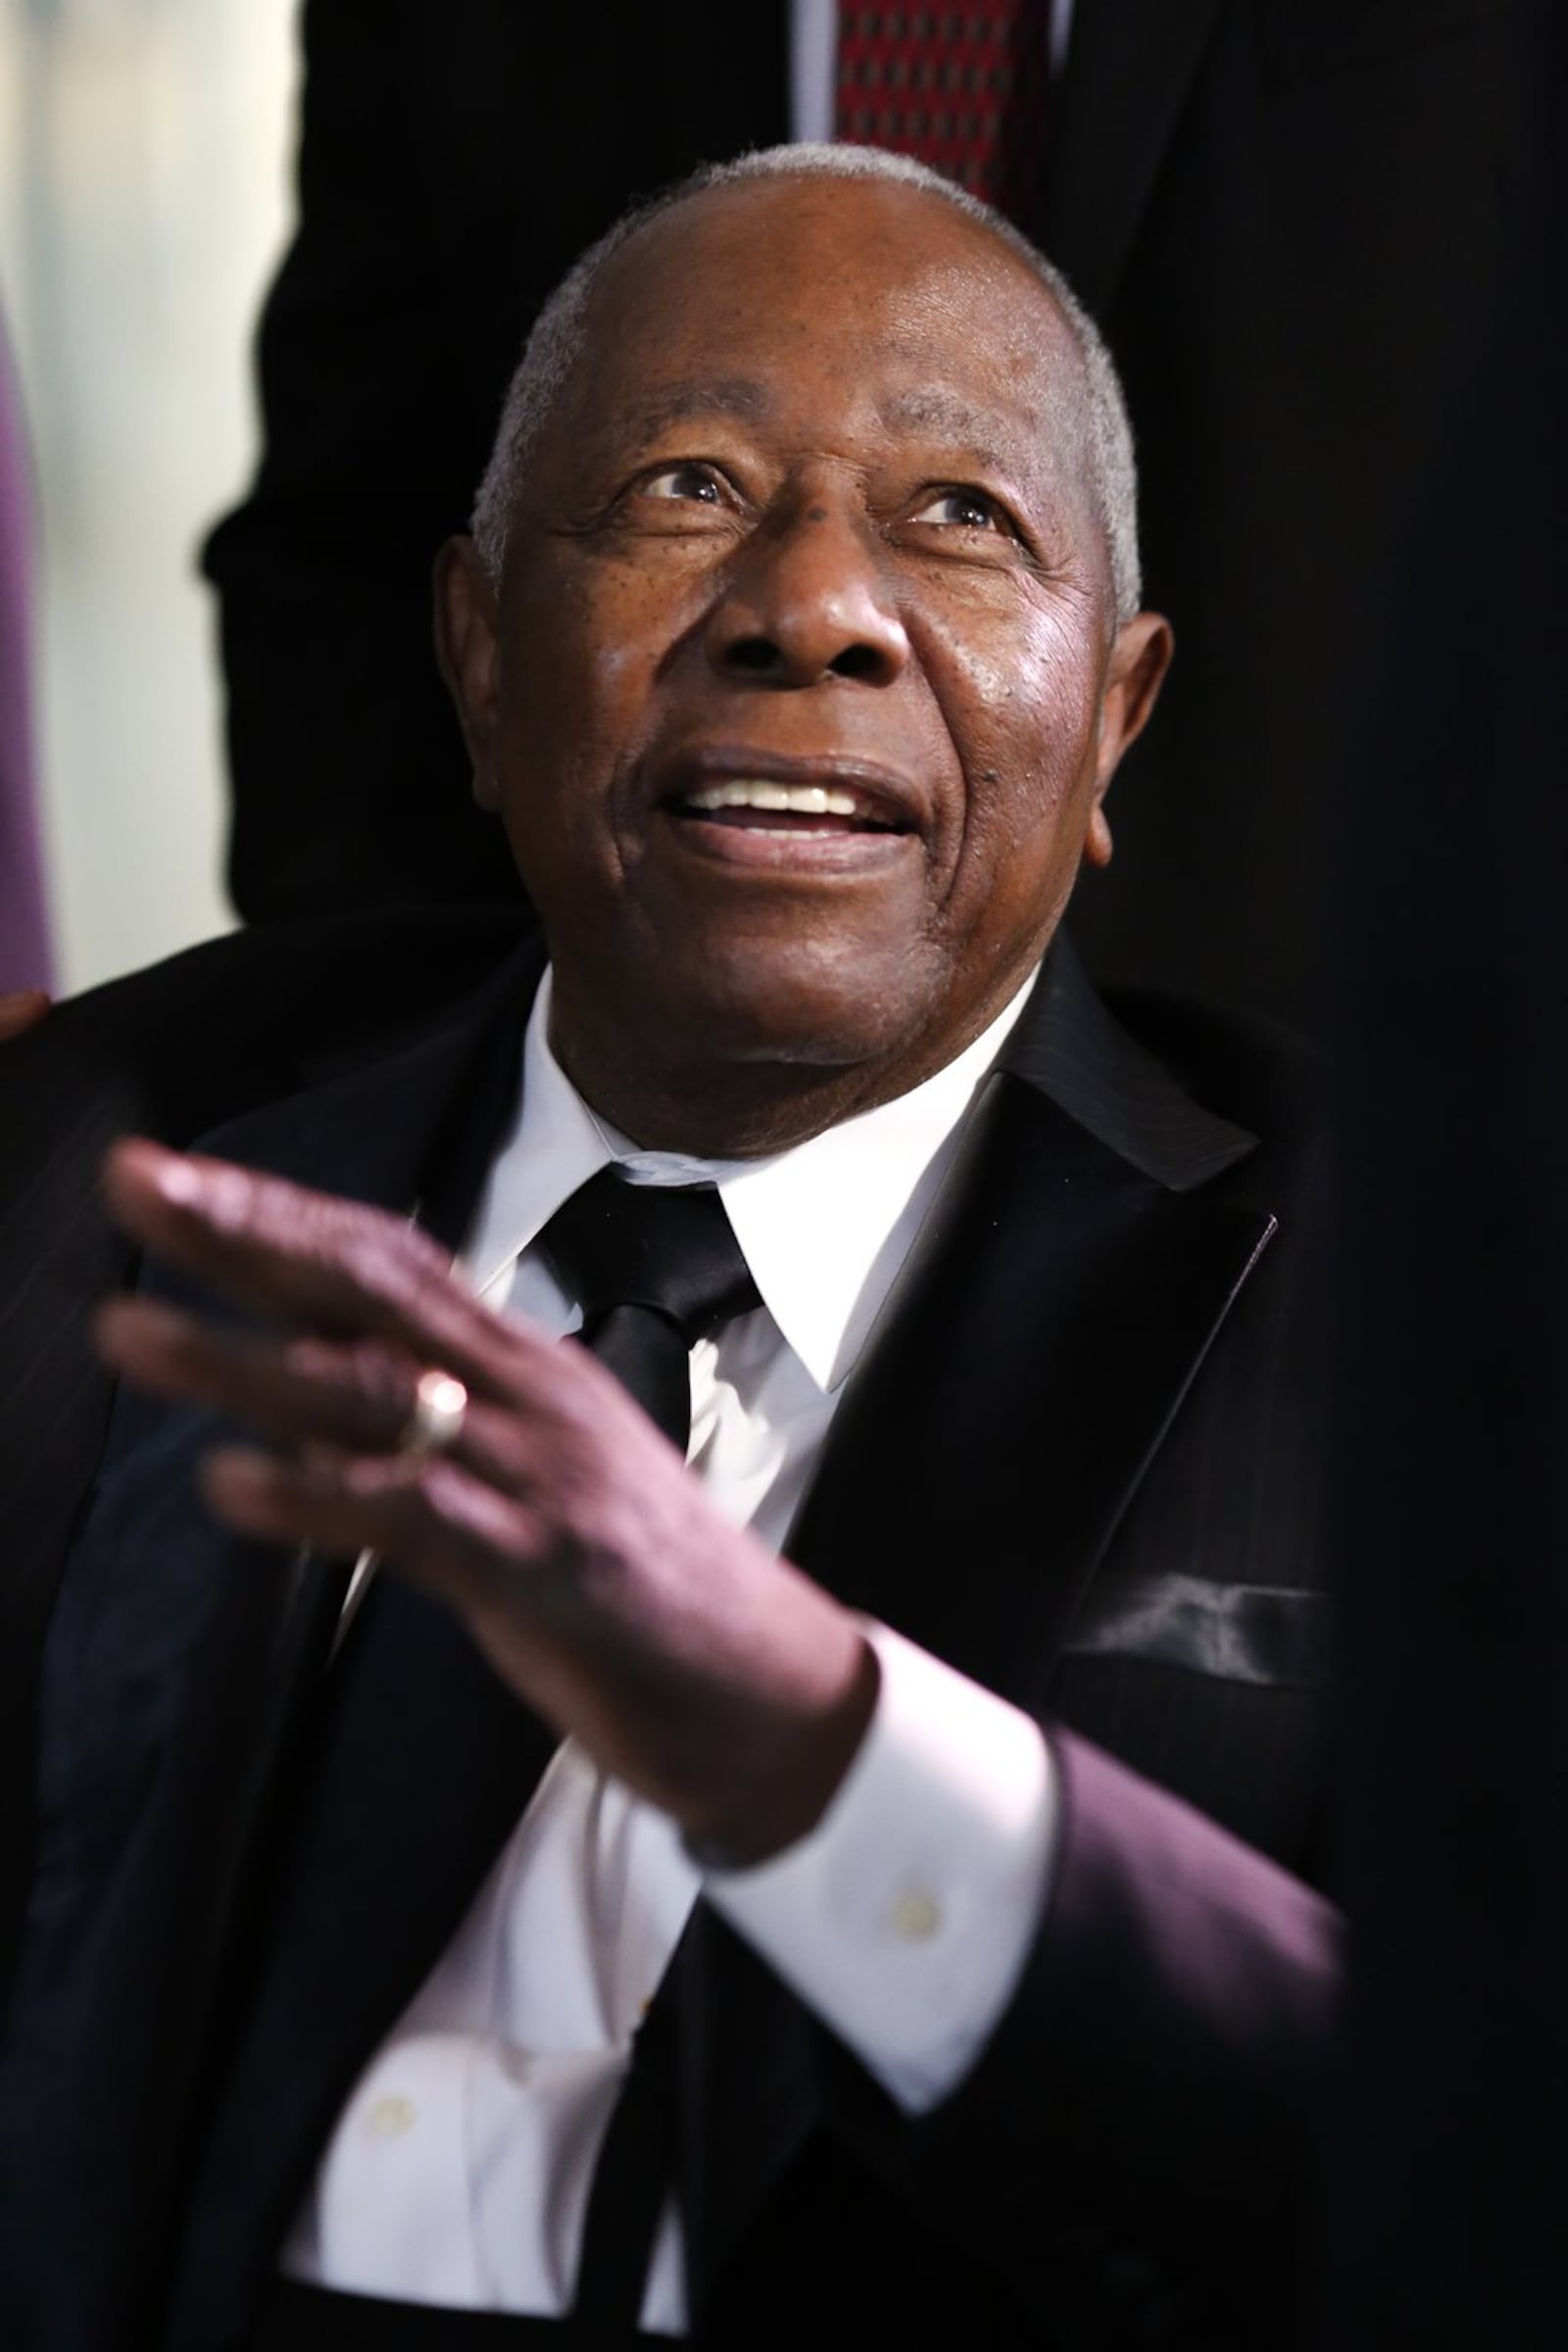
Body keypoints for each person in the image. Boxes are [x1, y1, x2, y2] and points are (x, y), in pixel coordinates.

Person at [0, 150, 1335, 2350]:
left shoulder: (1408, 1322)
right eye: (687, 489)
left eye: (957, 517)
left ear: (1114, 715)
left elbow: (1435, 2161)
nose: (811, 603)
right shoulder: (93, 1164)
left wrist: (812, 1750)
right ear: (475, 654)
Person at [207, 0, 1540, 1030]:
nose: (824, 610)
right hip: (623, 1136)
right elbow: (351, 548)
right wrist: (405, 1092)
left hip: (1374, 1111)